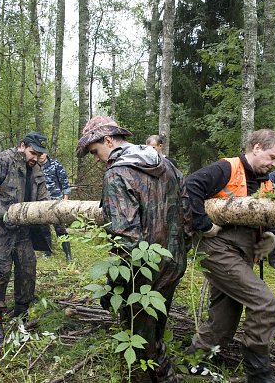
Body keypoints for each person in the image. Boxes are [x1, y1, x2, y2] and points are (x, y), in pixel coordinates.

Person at [76, 116, 186, 382]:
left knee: (138, 343)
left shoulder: (117, 174)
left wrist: (114, 283)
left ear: (108, 140)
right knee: (155, 330)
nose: (96, 159)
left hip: (141, 274)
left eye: (95, 151)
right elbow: (187, 210)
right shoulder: (166, 165)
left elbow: (125, 239)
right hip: (172, 263)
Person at [184, 129, 275, 383]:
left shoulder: (267, 183)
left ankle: (194, 359)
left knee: (226, 312)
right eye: (272, 157)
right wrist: (203, 225)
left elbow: (271, 217)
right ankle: (259, 374)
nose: (274, 164)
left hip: (241, 255)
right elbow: (189, 186)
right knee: (262, 303)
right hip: (218, 250)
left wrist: (273, 238)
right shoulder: (227, 168)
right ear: (258, 147)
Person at [0, 131, 50, 344]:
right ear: (22, 145)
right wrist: (5, 213)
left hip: (22, 227)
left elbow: (43, 198)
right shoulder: (0, 161)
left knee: (28, 266)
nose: (35, 158)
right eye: (32, 152)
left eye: (39, 154)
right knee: (1, 270)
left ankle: (21, 311)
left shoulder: (36, 169)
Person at [36, 153, 73, 261]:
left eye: (42, 154)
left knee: (60, 228)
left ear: (46, 153)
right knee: (43, 228)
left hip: (56, 201)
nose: (40, 156)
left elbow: (64, 182)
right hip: (41, 202)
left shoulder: (55, 164)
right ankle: (47, 251)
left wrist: (65, 200)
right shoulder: (35, 166)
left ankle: (68, 255)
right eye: (38, 154)